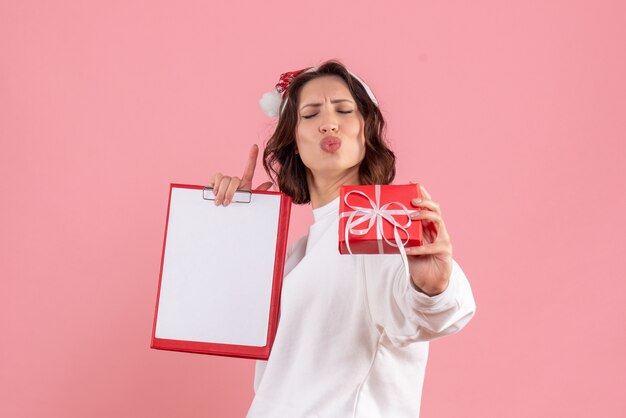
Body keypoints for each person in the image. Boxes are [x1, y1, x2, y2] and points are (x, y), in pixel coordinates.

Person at [207, 60, 476, 418]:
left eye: (344, 110)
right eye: (310, 114)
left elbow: (422, 316)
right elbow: (222, 323)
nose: (329, 122)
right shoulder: (298, 253)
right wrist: (233, 230)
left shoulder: (376, 225)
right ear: (294, 143)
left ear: (366, 131)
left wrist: (432, 289)